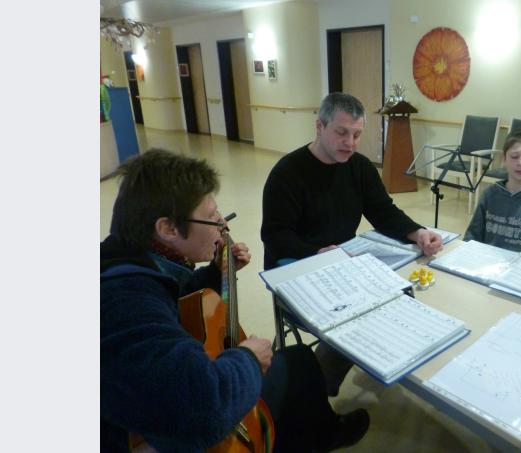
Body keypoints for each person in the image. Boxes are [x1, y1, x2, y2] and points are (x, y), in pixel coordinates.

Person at [101, 149, 369, 452]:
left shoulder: (130, 257)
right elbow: (204, 410)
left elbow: (175, 296)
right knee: (300, 363)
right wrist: (248, 360)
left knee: (298, 360)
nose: (222, 226)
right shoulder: (124, 304)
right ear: (168, 228)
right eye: (212, 217)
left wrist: (215, 273)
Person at [261, 92, 443, 396]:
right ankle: (319, 392)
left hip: (340, 262)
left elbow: (382, 211)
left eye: (357, 134)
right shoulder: (287, 173)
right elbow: (275, 236)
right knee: (356, 314)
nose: (350, 142)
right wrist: (315, 253)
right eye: (341, 132)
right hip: (295, 264)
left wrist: (417, 232)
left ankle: (382, 360)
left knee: (399, 293)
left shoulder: (358, 167)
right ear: (319, 126)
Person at [464, 129, 521, 257]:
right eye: (514, 156)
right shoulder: (490, 194)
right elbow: (472, 236)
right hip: (486, 264)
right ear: (504, 159)